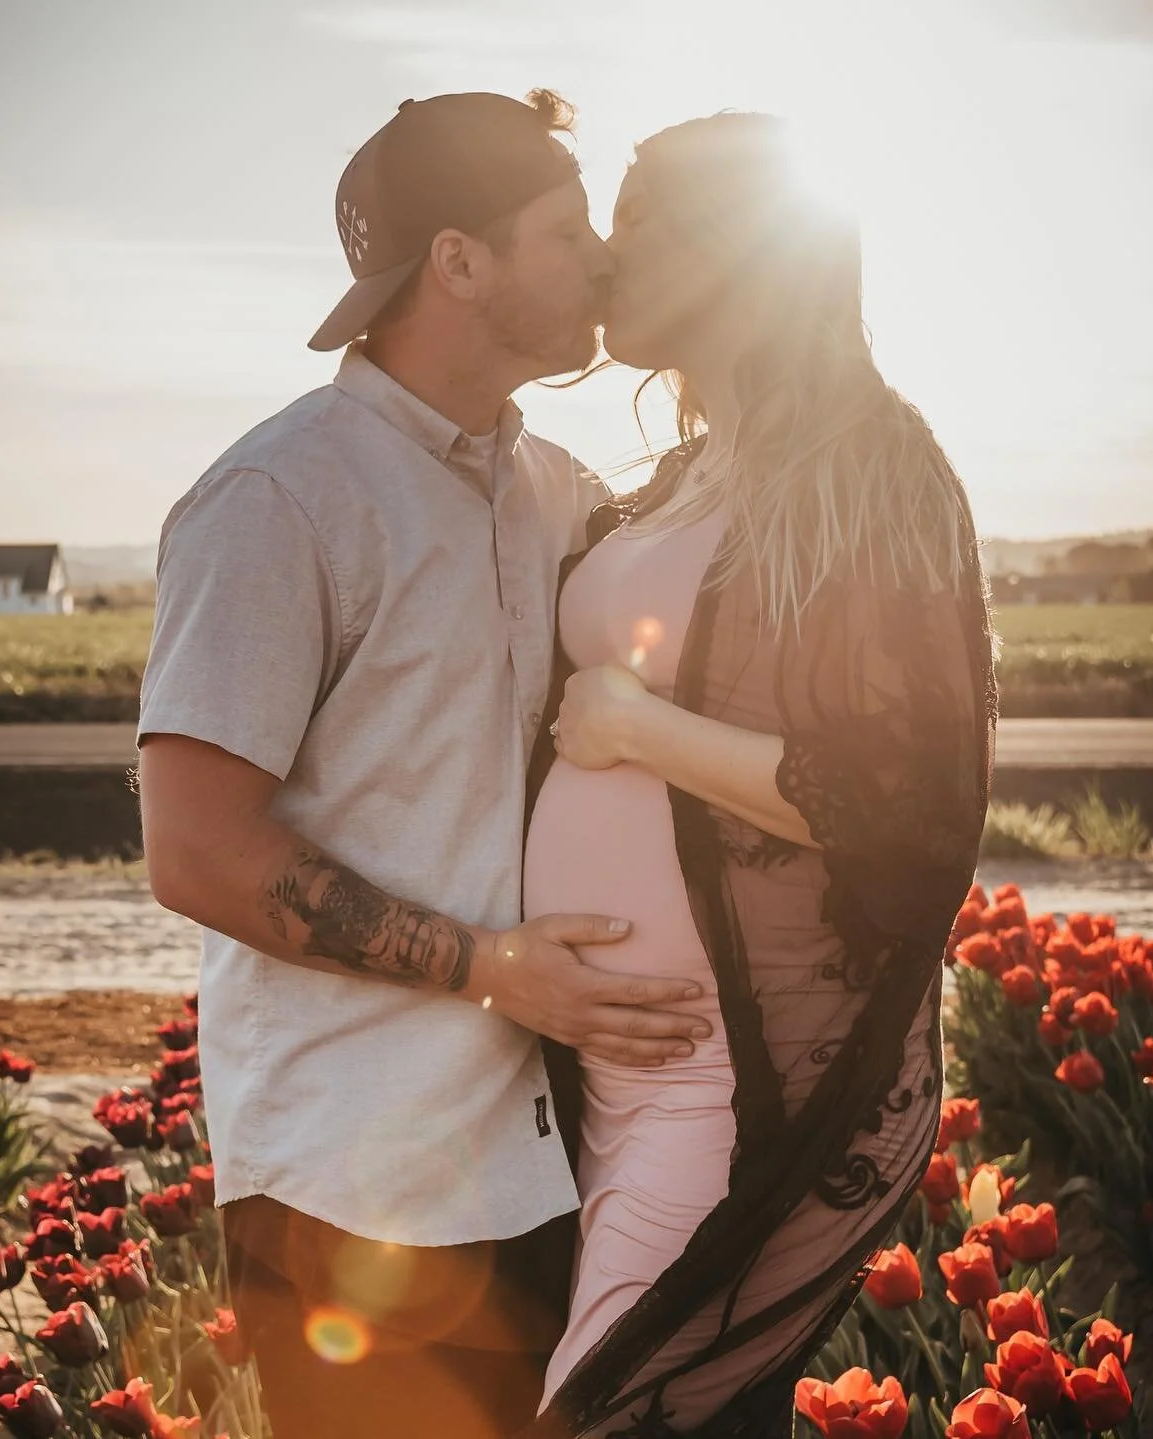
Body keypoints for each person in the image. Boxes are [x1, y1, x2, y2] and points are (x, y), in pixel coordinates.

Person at [137, 90, 713, 1439]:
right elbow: (197, 848)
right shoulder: (277, 501)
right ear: (458, 261)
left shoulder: (553, 488)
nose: (604, 259)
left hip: (548, 1156)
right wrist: (492, 967)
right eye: (567, 229)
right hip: (357, 1185)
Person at [523, 113, 997, 1436]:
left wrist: (634, 726)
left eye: (641, 220)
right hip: (615, 1078)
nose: (611, 257)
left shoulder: (869, 467)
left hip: (746, 1075)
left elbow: (909, 807)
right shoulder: (678, 477)